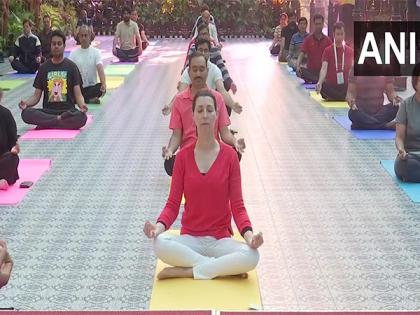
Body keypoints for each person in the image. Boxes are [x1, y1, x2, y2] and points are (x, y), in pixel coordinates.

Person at [144, 90, 263, 280]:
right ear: (193, 116)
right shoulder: (182, 156)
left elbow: (238, 206)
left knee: (252, 255)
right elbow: (173, 204)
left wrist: (250, 238)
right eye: (200, 110)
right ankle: (220, 268)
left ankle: (189, 271)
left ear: (217, 115)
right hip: (191, 240)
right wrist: (156, 229)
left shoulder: (230, 156)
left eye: (209, 110)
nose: (205, 115)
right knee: (159, 243)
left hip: (220, 241)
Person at [162, 53, 245, 176]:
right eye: (194, 70)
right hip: (189, 155)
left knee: (234, 154)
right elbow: (176, 136)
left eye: (201, 69)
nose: (198, 74)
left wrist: (235, 142)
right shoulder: (179, 100)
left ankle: (208, 171)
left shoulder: (217, 98)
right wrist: (170, 150)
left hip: (212, 153)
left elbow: (225, 133)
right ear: (189, 73)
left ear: (207, 71)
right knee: (169, 164)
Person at [19, 30, 88, 130]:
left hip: (67, 112)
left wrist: (82, 105)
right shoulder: (43, 68)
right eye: (54, 44)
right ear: (50, 46)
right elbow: (36, 96)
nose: (56, 46)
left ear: (64, 46)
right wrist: (26, 103)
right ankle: (58, 120)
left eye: (59, 44)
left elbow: (78, 94)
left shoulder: (72, 67)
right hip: (48, 111)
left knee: (82, 118)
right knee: (26, 113)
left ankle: (49, 123)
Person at [168, 39, 241, 117]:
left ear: (209, 52)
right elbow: (180, 92)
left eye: (206, 50)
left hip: (210, 109)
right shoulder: (188, 71)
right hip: (192, 109)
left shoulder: (215, 70)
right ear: (196, 51)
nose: (203, 53)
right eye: (200, 50)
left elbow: (222, 91)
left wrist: (233, 105)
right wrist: (170, 106)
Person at [184, 24, 237, 93]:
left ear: (209, 35)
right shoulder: (193, 49)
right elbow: (187, 66)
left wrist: (230, 81)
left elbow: (222, 66)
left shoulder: (214, 50)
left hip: (213, 79)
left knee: (225, 84)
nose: (203, 36)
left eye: (205, 34)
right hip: (196, 79)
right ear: (198, 36)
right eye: (201, 34)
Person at [346, 66, 401, 130]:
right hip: (361, 111)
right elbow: (350, 93)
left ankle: (362, 124)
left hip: (380, 112)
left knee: (395, 108)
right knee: (352, 113)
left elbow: (391, 92)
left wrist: (395, 99)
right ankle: (384, 126)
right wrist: (351, 102)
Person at [394, 64, 420, 183]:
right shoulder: (406, 105)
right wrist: (401, 150)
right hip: (412, 157)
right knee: (405, 166)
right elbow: (399, 137)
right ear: (415, 83)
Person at [316, 22, 353, 101]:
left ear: (344, 34)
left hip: (345, 86)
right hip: (331, 85)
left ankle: (339, 97)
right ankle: (343, 97)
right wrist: (319, 82)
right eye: (338, 34)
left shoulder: (349, 51)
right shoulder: (328, 50)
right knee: (323, 87)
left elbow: (352, 70)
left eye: (341, 34)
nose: (340, 37)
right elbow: (324, 68)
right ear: (333, 34)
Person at [69, 25, 106, 104]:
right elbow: (68, 71)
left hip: (91, 88)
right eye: (81, 36)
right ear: (79, 37)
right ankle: (88, 100)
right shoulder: (73, 53)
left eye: (86, 35)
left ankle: (80, 100)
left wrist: (104, 84)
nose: (84, 38)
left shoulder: (96, 52)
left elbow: (100, 68)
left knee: (100, 88)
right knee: (68, 93)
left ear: (89, 37)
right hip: (78, 88)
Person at [296, 14, 332, 84]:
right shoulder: (308, 39)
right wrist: (297, 66)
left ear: (322, 24)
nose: (318, 26)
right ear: (314, 25)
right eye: (316, 24)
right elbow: (301, 54)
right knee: (301, 71)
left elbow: (333, 55)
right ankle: (319, 81)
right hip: (311, 71)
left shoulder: (327, 40)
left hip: (323, 71)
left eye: (319, 24)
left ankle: (318, 80)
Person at [0, 89, 19, 190]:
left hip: (2, 160)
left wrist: (15, 148)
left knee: (12, 158)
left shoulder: (5, 114)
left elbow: (14, 143)